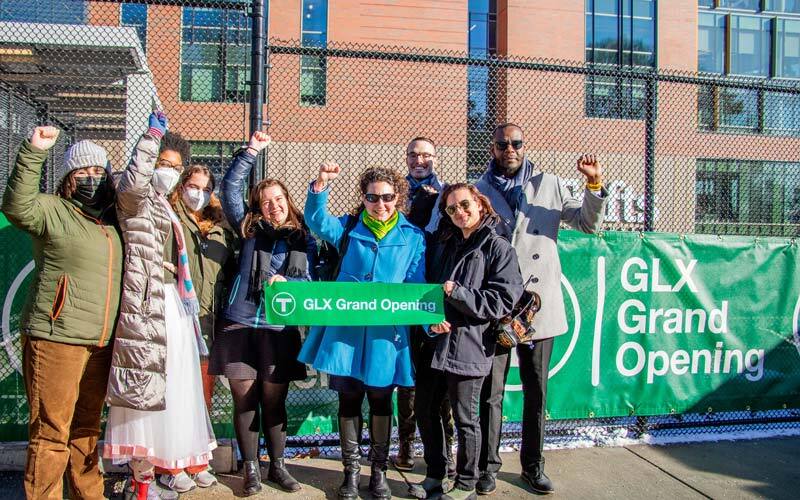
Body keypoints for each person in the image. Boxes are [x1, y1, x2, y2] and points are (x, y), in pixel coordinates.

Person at [428, 123, 606, 495]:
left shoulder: (550, 185)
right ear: (492, 148)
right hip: (493, 311)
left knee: (536, 391)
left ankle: (532, 465)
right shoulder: (479, 189)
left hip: (536, 308)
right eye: (502, 143)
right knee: (490, 394)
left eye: (516, 143)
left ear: (524, 146)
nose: (510, 148)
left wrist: (593, 185)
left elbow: (588, 223)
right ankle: (487, 467)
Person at [2, 127, 122, 499]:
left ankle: (89, 494)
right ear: (69, 179)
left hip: (101, 343)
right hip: (57, 339)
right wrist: (34, 149)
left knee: (87, 428)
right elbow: (17, 205)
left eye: (98, 172)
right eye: (82, 172)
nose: (91, 179)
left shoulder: (112, 221)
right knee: (52, 430)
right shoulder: (53, 211)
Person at [103, 112, 217, 500]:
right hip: (146, 306)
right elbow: (133, 183)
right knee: (143, 399)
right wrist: (151, 137)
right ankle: (141, 484)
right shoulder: (134, 198)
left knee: (171, 396)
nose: (167, 171)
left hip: (172, 305)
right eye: (162, 164)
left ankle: (158, 476)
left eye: (174, 166)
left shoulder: (165, 204)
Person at [299, 163, 426, 500]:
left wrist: (430, 320)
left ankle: (379, 473)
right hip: (347, 333)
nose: (380, 203)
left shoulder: (413, 237)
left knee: (382, 400)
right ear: (364, 197)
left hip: (387, 335)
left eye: (386, 197)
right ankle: (351, 474)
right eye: (372, 197)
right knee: (349, 399)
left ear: (397, 196)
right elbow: (317, 221)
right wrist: (320, 186)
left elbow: (417, 287)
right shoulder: (348, 227)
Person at [209, 131, 314, 496]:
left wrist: (291, 285)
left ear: (288, 201)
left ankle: (278, 468)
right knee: (245, 399)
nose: (273, 206)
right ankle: (251, 470)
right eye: (266, 201)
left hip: (279, 328)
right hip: (239, 324)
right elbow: (230, 188)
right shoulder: (247, 228)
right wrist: (251, 151)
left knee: (274, 400)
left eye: (279, 199)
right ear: (258, 206)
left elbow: (312, 283)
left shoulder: (303, 238)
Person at [412, 183, 522, 500]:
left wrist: (458, 293)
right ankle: (435, 475)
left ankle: (465, 482)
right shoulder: (445, 243)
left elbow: (501, 301)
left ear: (479, 203)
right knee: (425, 410)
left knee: (465, 419)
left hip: (470, 344)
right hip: (436, 342)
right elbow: (429, 290)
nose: (459, 212)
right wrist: (430, 320)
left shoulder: (497, 247)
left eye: (464, 205)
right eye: (451, 208)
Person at [396, 137, 456, 478]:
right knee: (408, 376)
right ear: (406, 158)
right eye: (414, 154)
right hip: (403, 295)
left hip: (436, 292)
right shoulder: (395, 192)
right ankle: (405, 446)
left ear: (435, 158)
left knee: (440, 374)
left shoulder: (445, 194)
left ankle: (445, 450)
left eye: (427, 155)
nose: (420, 160)